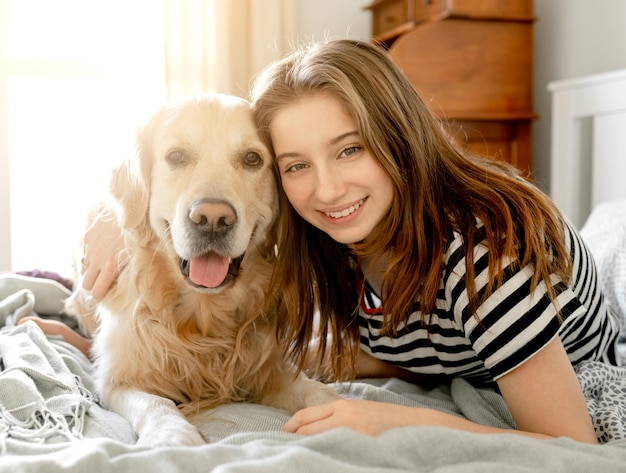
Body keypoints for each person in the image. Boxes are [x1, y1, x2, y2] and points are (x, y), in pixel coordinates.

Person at [80, 39, 621, 443]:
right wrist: (113, 217)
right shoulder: (329, 232)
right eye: (296, 164)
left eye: (349, 149)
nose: (328, 188)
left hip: (565, 387)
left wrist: (399, 417)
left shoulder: (481, 255)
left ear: (398, 137)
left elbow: (570, 445)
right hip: (456, 358)